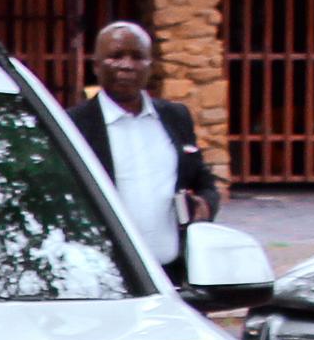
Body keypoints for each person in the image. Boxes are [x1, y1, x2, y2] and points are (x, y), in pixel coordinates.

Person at [70, 21, 223, 273]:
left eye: (138, 57)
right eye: (116, 56)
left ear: (150, 66)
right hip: (106, 275)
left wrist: (205, 205)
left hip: (172, 273)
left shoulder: (175, 117)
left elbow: (203, 180)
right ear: (96, 65)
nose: (127, 65)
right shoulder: (76, 125)